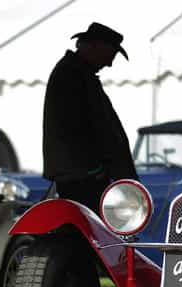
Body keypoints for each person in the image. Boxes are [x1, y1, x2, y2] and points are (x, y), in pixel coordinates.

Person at [42, 22, 138, 214]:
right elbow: (75, 128)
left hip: (84, 175)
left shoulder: (77, 73)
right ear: (94, 46)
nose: (109, 63)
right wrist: (95, 169)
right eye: (109, 55)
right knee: (92, 231)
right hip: (82, 178)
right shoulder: (71, 74)